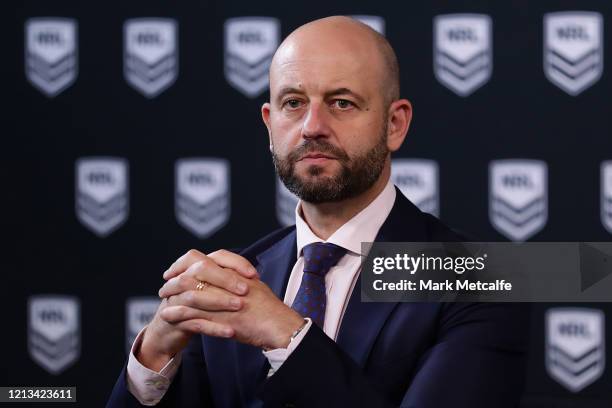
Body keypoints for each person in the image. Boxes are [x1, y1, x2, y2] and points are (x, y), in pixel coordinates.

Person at [108, 16, 529, 407]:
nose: (312, 126)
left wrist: (287, 335)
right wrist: (154, 355)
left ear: (394, 124)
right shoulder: (233, 282)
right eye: (293, 103)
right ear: (270, 125)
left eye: (341, 102)